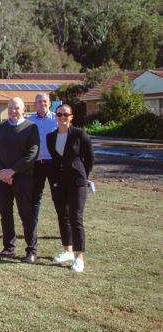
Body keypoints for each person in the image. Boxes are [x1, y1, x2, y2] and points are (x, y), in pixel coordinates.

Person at [0, 97, 40, 263]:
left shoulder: (31, 128)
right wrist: (2, 172)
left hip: (22, 178)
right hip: (2, 178)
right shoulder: (1, 128)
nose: (13, 111)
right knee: (5, 214)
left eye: (16, 108)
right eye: (10, 108)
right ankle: (8, 247)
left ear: (23, 109)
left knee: (26, 214)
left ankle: (31, 250)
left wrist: (12, 171)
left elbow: (32, 154)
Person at [46, 104, 94, 273]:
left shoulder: (80, 134)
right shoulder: (50, 137)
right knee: (62, 216)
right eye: (59, 114)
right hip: (59, 182)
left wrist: (82, 175)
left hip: (77, 182)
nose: (62, 117)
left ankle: (79, 257)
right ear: (55, 116)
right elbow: (55, 159)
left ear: (71, 116)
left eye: (65, 114)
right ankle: (67, 250)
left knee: (75, 217)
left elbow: (89, 159)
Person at [27, 93, 58, 232]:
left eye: (45, 101)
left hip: (54, 164)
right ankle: (32, 228)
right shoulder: (29, 120)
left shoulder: (57, 119)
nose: (42, 104)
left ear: (49, 103)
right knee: (34, 198)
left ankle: (64, 228)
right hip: (36, 165)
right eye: (39, 101)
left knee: (58, 197)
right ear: (35, 104)